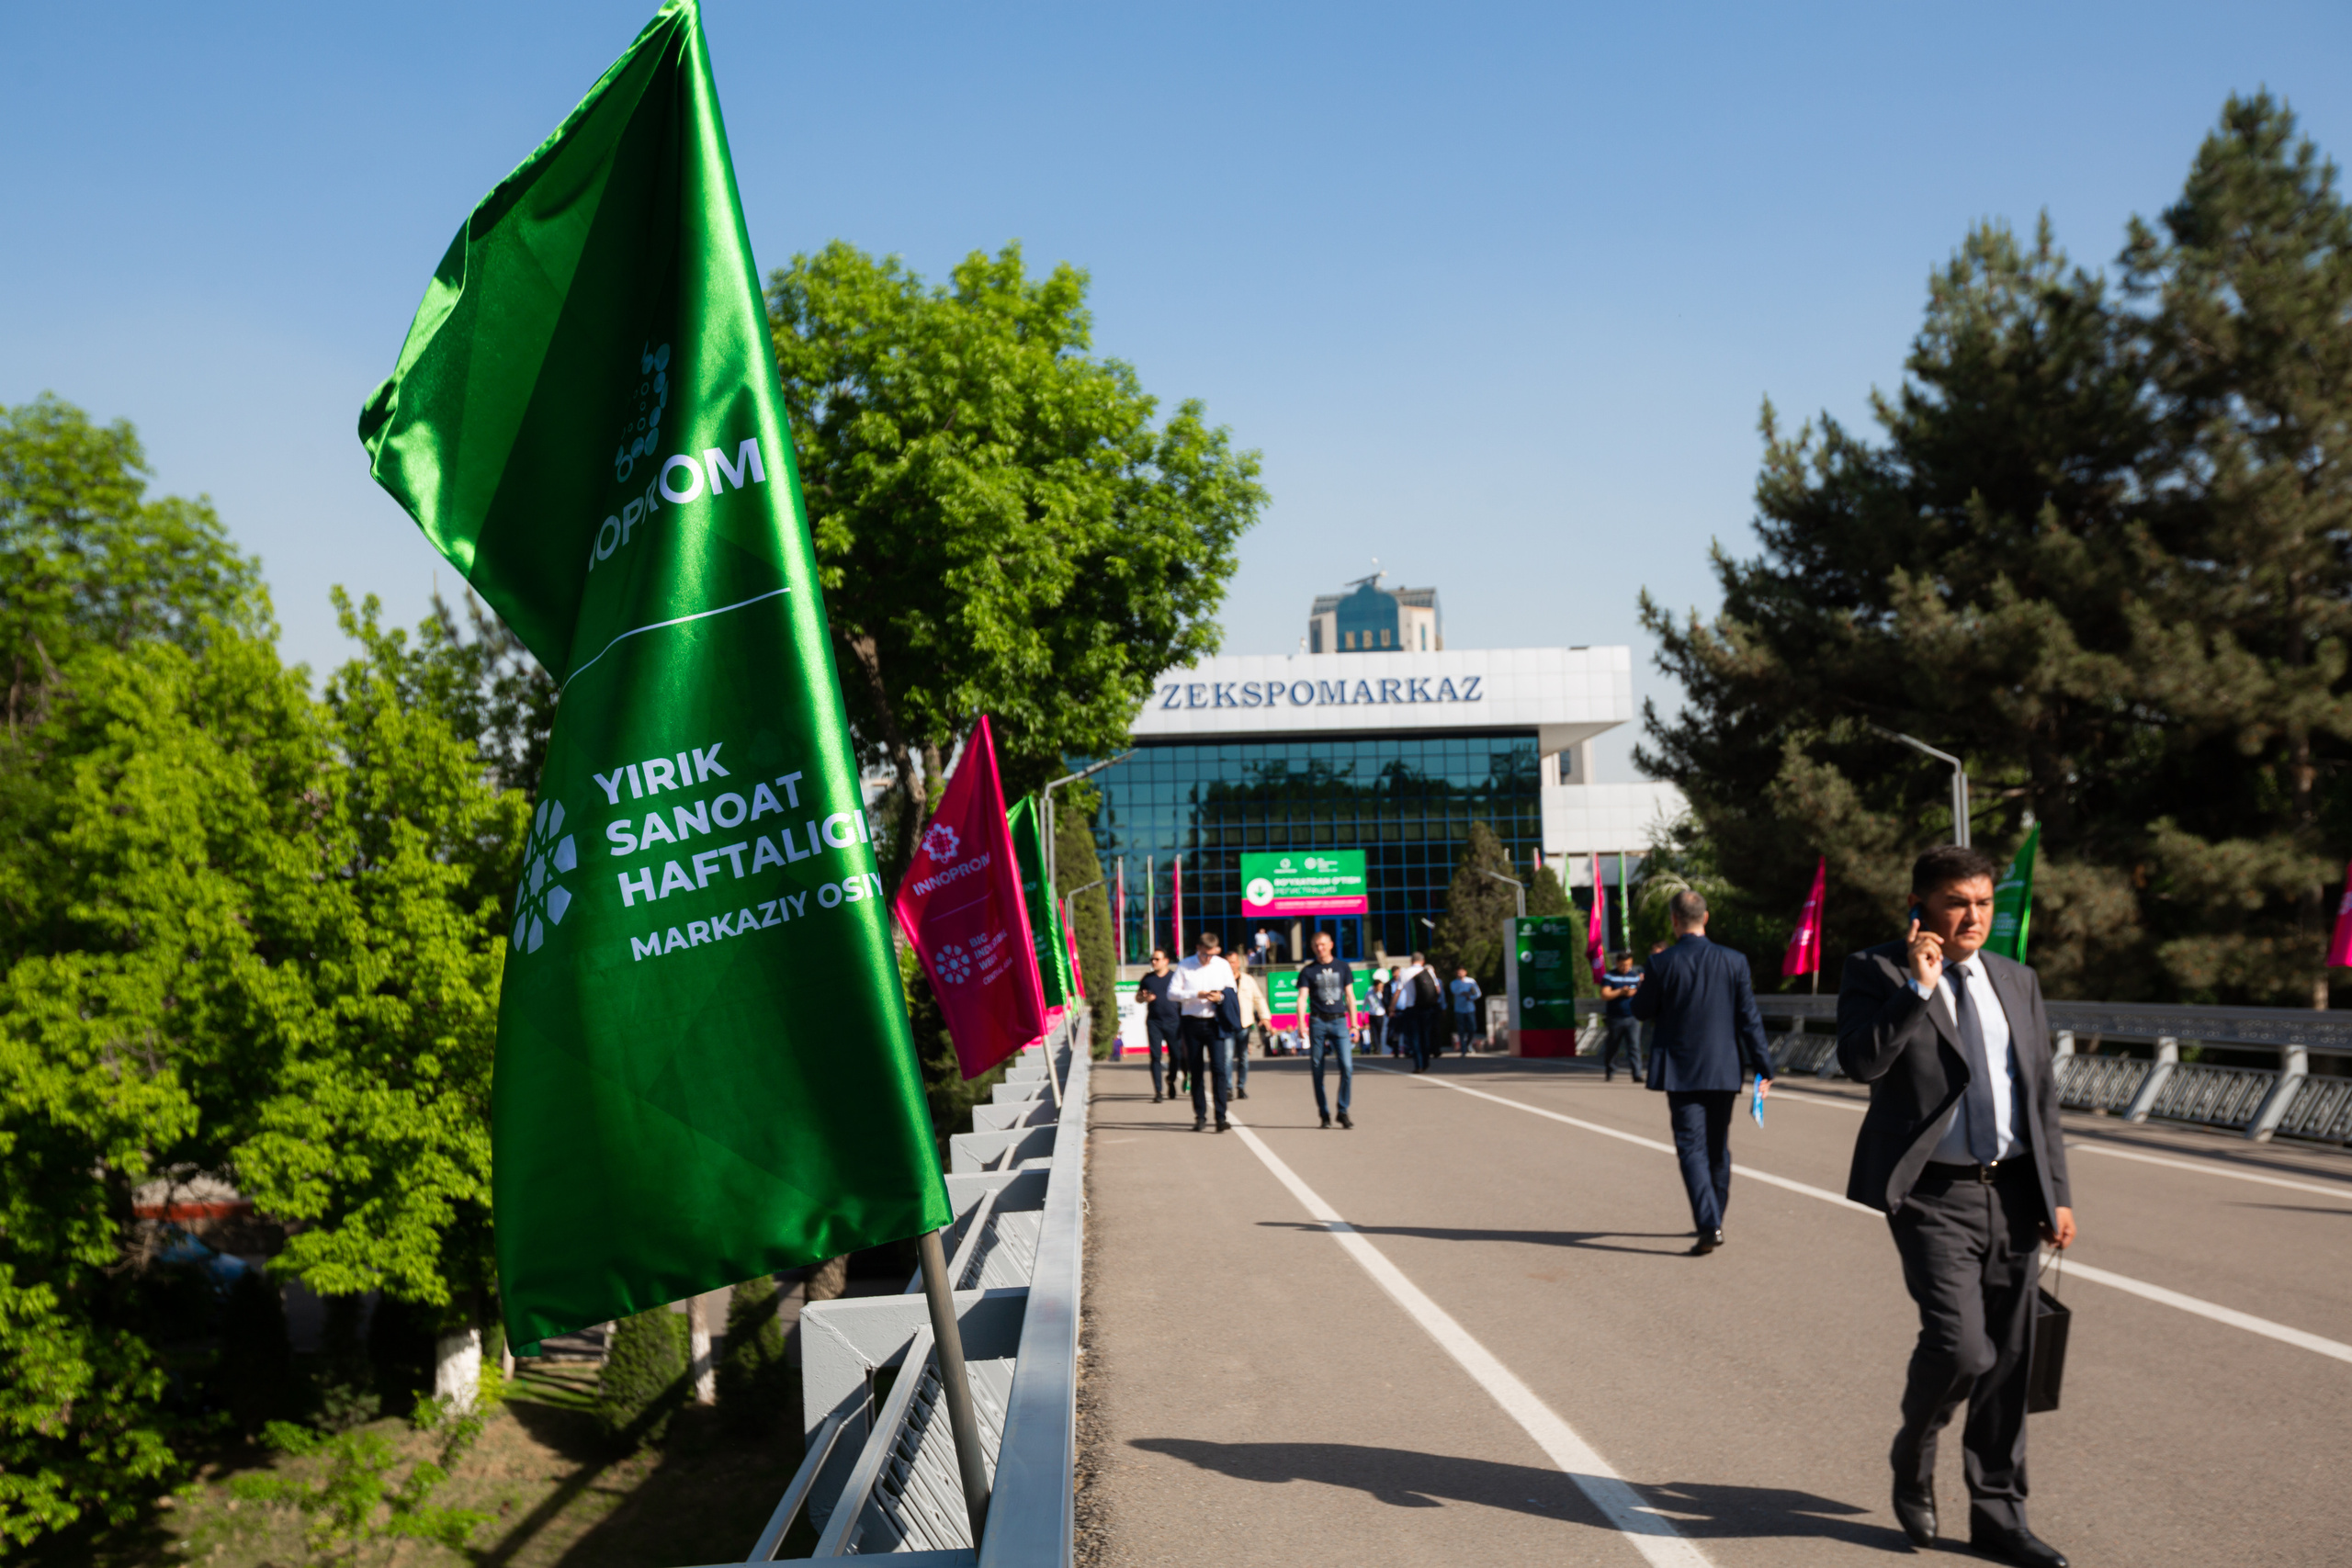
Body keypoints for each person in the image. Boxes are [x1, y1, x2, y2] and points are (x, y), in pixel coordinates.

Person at [1837, 846, 2075, 1568]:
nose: (1973, 916)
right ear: (1919, 905)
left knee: (2009, 1359)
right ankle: (1915, 1450)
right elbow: (1861, 1063)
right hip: (1932, 1193)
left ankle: (2000, 1515)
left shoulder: (2017, 980)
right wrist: (1917, 987)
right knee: (1962, 1345)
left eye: (1983, 902)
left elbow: (2039, 1096)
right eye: (1956, 902)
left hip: (2012, 1188)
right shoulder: (1874, 970)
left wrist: (2058, 1193)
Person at [1630, 890, 1775, 1256]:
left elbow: (1641, 1010)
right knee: (1716, 1148)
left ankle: (1709, 1224)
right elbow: (1749, 1019)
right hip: (1724, 1068)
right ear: (1705, 918)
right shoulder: (1735, 961)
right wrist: (1764, 1067)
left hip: (1681, 1070)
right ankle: (1715, 1219)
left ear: (1674, 920)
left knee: (1690, 1147)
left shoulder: (1662, 963)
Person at [1169, 930, 1236, 1132]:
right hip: (1192, 1022)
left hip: (1215, 1022)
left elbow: (1231, 990)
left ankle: (1221, 1117)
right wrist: (1194, 994)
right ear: (1198, 948)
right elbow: (1171, 993)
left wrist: (1220, 998)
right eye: (1205, 954)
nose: (1208, 958)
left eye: (1211, 954)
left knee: (1219, 1069)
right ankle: (1200, 1116)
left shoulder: (1222, 965)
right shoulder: (1186, 965)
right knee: (1195, 1070)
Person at [1294, 930, 1359, 1129]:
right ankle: (1324, 1114)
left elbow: (1350, 996)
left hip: (1340, 1021)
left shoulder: (1342, 967)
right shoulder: (1308, 971)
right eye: (1316, 946)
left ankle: (1342, 1110)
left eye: (1323, 944)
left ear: (1331, 944)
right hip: (1317, 1022)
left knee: (1347, 1067)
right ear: (1312, 948)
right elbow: (1302, 998)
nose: (1319, 949)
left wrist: (1354, 1024)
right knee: (1317, 1069)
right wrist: (1301, 1022)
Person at [1133, 948, 1181, 1103]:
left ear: (1166, 961)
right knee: (1155, 1057)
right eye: (1152, 959)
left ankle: (1171, 1080)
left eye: (1157, 959)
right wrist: (1144, 998)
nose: (1153, 962)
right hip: (1154, 1022)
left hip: (1174, 1022)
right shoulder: (1148, 979)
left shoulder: (1175, 977)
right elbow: (1138, 998)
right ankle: (1158, 1091)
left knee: (1176, 1056)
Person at [1228, 952, 1270, 1100]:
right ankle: (1228, 1088)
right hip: (1226, 1024)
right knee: (1226, 1058)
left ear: (1238, 963)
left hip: (1244, 1024)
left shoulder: (1248, 980)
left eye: (1233, 962)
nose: (1231, 965)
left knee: (1243, 1058)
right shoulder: (1220, 980)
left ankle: (1240, 1087)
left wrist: (1265, 1017)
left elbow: (1259, 999)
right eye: (1228, 962)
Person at [1599, 950, 1644, 1082]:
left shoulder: (1634, 977)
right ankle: (1610, 1070)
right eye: (1622, 965)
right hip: (1615, 1018)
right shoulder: (1609, 977)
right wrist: (1620, 992)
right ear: (1617, 963)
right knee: (1613, 1046)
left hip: (1632, 1017)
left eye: (1628, 965)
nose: (1625, 968)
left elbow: (1639, 993)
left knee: (1634, 1046)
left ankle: (1637, 1073)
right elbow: (1605, 995)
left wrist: (1633, 992)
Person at [1389, 951, 1427, 1070]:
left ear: (1411, 961)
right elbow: (1437, 990)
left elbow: (1398, 992)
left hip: (1411, 1008)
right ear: (1423, 961)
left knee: (1414, 1037)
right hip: (1426, 1008)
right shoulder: (1427, 971)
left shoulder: (1405, 973)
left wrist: (1391, 1007)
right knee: (1425, 1035)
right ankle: (1426, 1061)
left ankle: (1418, 1064)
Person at [1448, 965, 1482, 1055]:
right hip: (1459, 1009)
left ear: (1465, 972)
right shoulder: (1454, 983)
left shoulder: (1471, 981)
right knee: (1461, 1029)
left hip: (1470, 1008)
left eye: (1461, 972)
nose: (1459, 974)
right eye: (1458, 972)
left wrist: (1471, 996)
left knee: (1472, 1028)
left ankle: (1468, 1044)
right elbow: (1455, 991)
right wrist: (1464, 993)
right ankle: (1463, 1049)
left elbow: (1478, 993)